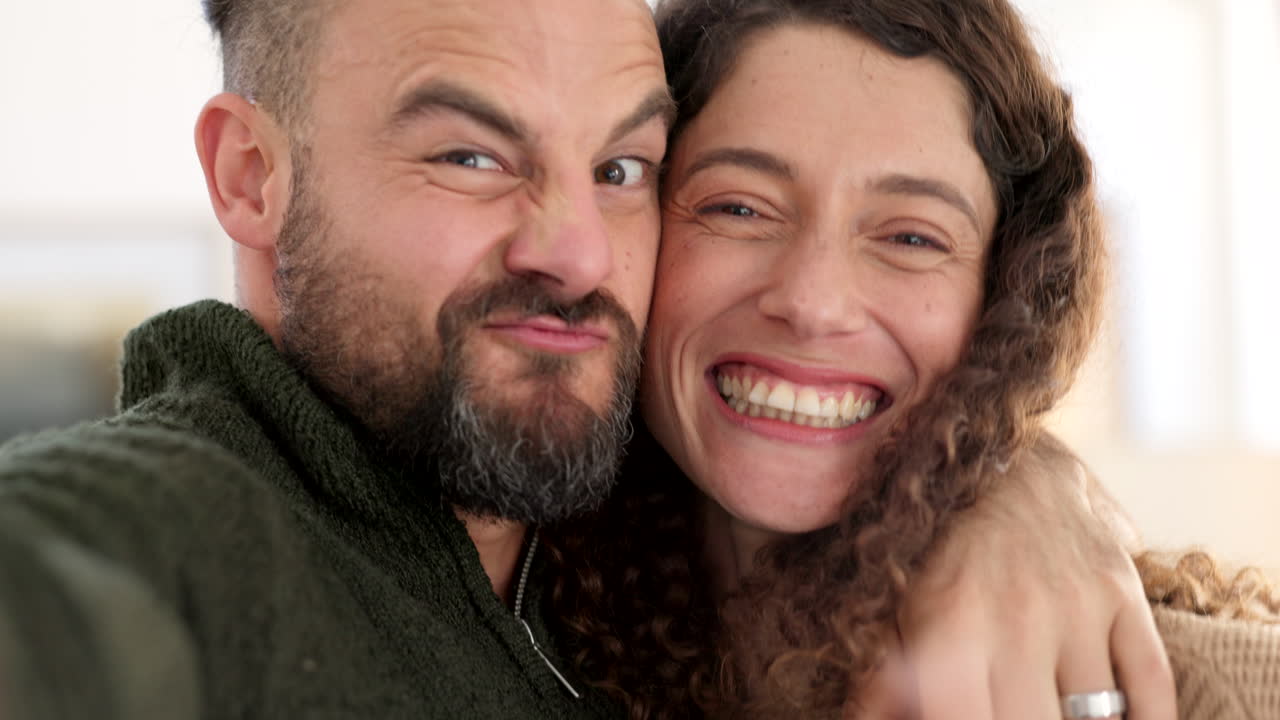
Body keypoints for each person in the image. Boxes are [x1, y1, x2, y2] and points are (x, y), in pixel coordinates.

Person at [0, 0, 1171, 717]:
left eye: (620, 170)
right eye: (467, 157)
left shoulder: (620, 563)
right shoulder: (165, 542)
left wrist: (1013, 481)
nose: (572, 254)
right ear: (252, 177)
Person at [542, 0, 1197, 718]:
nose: (813, 302)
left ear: (1006, 296)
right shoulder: (510, 600)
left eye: (911, 238)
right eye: (740, 207)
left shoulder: (1196, 682)